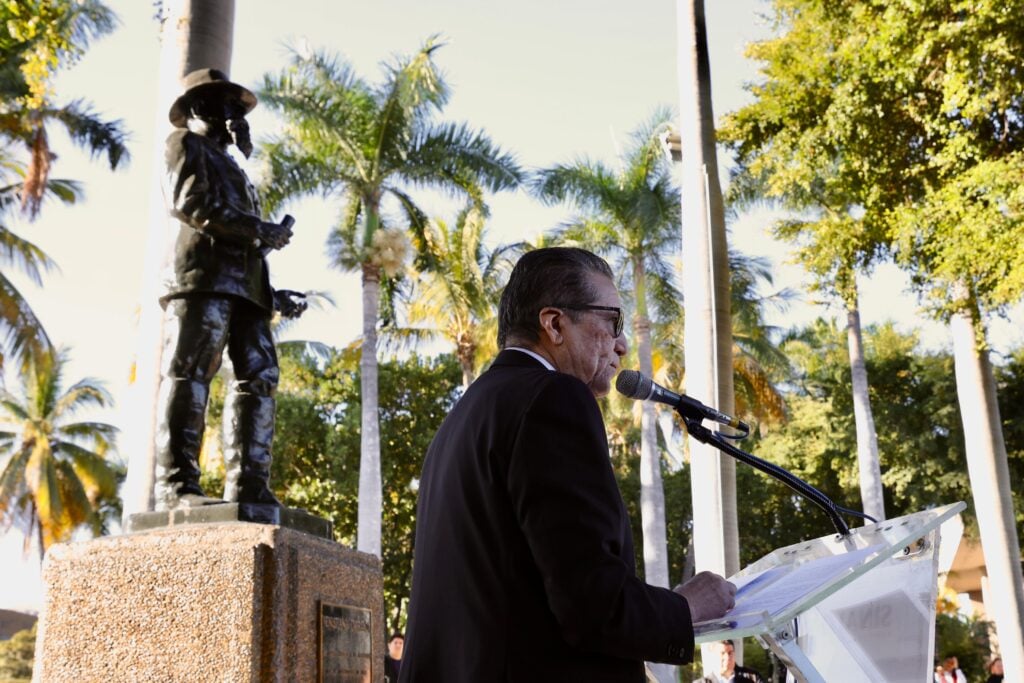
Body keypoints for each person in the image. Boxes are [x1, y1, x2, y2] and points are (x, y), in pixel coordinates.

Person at [399, 247, 736, 682]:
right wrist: (686, 607)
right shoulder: (553, 398)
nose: (622, 343)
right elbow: (590, 604)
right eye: (612, 320)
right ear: (554, 324)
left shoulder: (466, 416)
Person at [154, 68, 307, 514]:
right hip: (201, 280)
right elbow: (192, 204)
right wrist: (258, 229)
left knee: (260, 377)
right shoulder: (184, 145)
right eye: (228, 109)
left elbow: (245, 243)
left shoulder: (237, 169)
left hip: (247, 291)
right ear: (201, 108)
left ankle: (249, 485)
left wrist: (274, 294)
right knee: (190, 372)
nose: (237, 118)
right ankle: (177, 484)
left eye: (240, 111)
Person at [694, 640, 765, 683]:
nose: (727, 657)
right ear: (713, 656)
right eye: (722, 653)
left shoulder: (752, 677)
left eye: (730, 652)